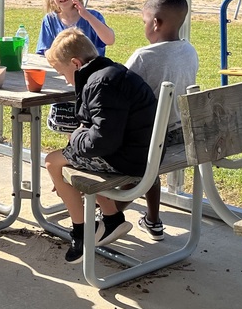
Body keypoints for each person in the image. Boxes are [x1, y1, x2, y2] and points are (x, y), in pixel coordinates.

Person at [43, 28, 157, 262]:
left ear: (75, 63)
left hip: (128, 158)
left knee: (53, 162)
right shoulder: (111, 73)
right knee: (72, 156)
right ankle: (111, 218)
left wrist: (75, 136)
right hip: (140, 151)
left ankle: (81, 231)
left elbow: (102, 141)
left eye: (61, 72)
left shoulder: (100, 83)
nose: (64, 79)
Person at [107, 0, 198, 241]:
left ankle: (110, 216)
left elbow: (116, 89)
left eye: (144, 21)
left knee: (116, 147)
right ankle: (153, 220)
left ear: (156, 23)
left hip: (152, 138)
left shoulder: (144, 56)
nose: (144, 26)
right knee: (150, 158)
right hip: (179, 134)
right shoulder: (190, 51)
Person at [35, 0, 115, 133]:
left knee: (89, 127)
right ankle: (73, 154)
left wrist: (86, 16)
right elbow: (44, 52)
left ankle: (77, 155)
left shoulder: (93, 16)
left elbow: (109, 40)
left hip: (92, 83)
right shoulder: (50, 20)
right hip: (64, 83)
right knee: (68, 128)